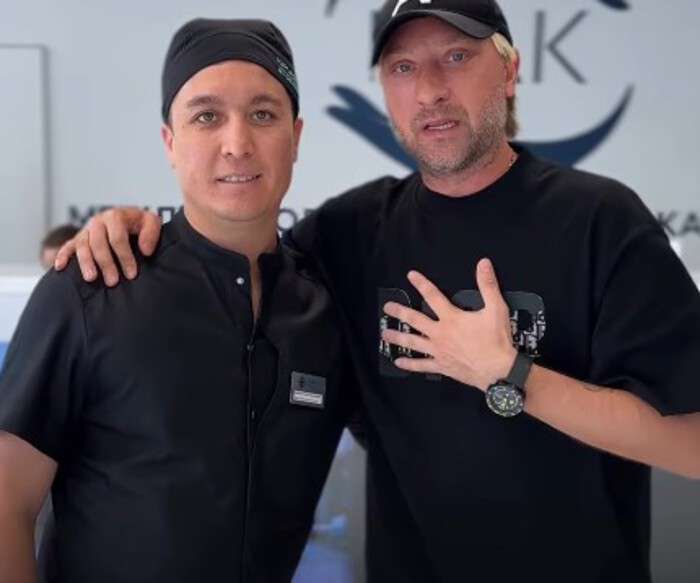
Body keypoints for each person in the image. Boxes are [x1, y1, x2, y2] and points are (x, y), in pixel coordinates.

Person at [54, 1, 700, 581]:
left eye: (456, 57)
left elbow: (692, 446)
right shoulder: (350, 232)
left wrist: (510, 374)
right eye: (403, 68)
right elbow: (232, 250)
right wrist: (133, 228)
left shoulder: (599, 221)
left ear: (508, 71)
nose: (430, 90)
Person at [0, 18, 353, 583]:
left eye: (263, 115)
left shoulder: (327, 309)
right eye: (206, 116)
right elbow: (6, 503)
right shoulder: (92, 287)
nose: (237, 144)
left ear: (296, 137)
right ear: (170, 141)